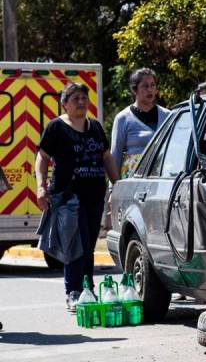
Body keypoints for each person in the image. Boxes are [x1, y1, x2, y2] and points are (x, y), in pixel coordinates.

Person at [35, 82, 119, 311]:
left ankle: (87, 288)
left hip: (94, 193)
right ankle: (73, 292)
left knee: (89, 244)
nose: (81, 102)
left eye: (84, 98)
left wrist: (116, 185)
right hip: (68, 195)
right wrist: (41, 187)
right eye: (75, 99)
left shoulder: (95, 128)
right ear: (65, 104)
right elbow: (41, 158)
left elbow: (106, 156)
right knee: (76, 242)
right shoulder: (56, 127)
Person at [111, 68, 170, 179]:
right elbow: (115, 156)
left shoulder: (167, 116)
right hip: (133, 180)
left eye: (153, 85)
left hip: (162, 178)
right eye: (145, 86)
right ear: (135, 89)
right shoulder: (123, 118)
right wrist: (113, 187)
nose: (150, 89)